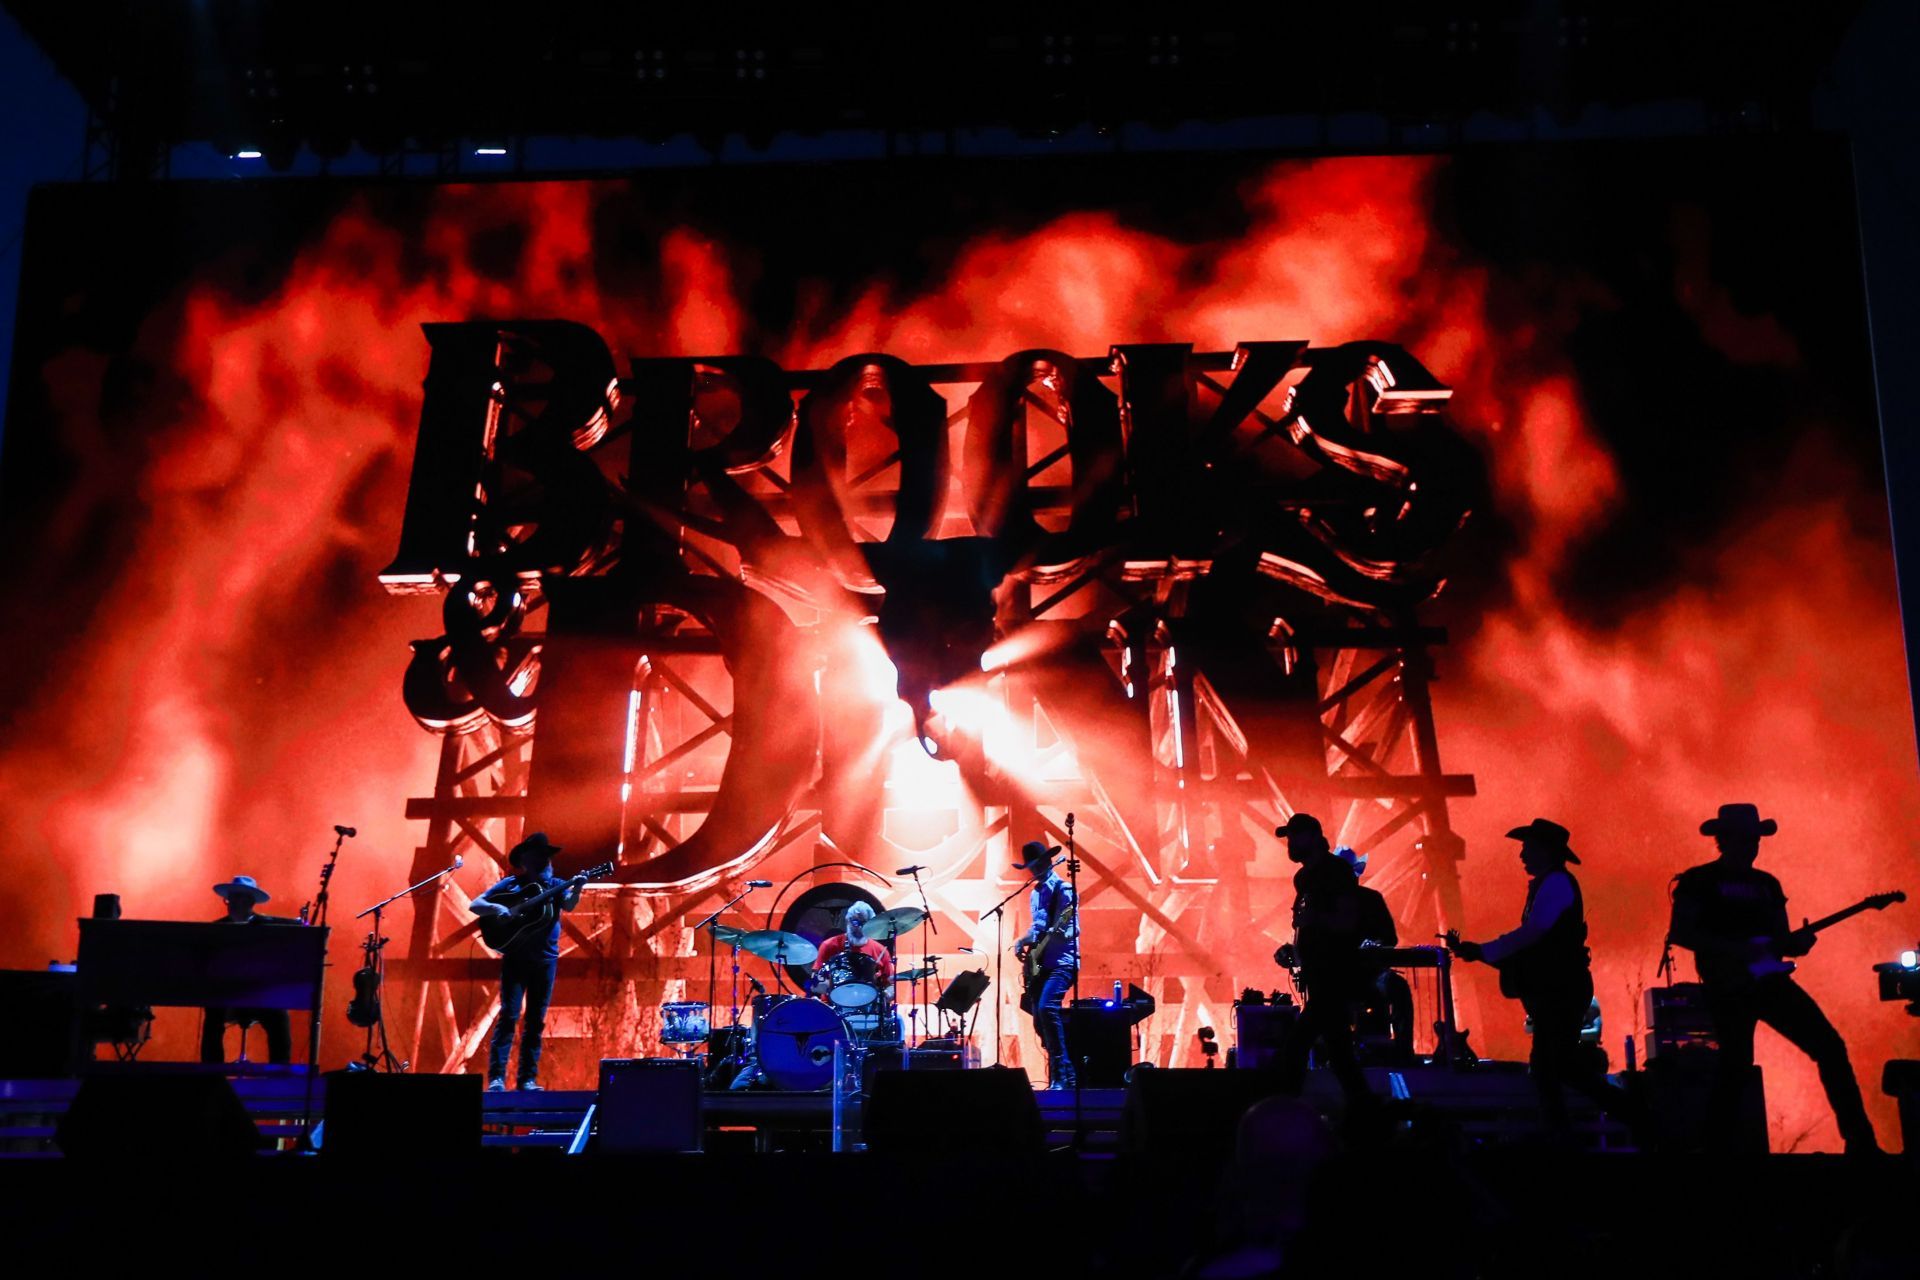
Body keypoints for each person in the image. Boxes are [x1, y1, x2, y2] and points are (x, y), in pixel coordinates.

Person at [1668, 803, 1880, 1154]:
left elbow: (1780, 940)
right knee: (1735, 1069)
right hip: (1728, 988)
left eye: (1756, 838)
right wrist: (1739, 951)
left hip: (1768, 983)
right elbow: (1681, 932)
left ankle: (1862, 1143)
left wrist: (1797, 945)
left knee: (1829, 1047)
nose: (1754, 845)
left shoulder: (1767, 884)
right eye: (1747, 838)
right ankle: (1711, 1152)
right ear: (1726, 840)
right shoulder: (1699, 880)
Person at [1451, 818, 1640, 1142]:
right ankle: (1630, 1119)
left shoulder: (1555, 885)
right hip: (1561, 988)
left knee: (1546, 1067)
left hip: (1561, 990)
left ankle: (1585, 1130)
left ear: (1545, 851)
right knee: (1560, 1067)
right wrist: (1484, 952)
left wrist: (1484, 950)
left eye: (1527, 848)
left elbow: (1533, 934)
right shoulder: (1552, 884)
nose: (1522, 855)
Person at [1271, 814, 1374, 1110]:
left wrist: (1315, 923)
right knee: (1340, 1055)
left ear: (1313, 836)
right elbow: (1308, 924)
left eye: (1294, 836)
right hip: (1318, 976)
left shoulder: (1335, 871)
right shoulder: (1305, 878)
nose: (1289, 844)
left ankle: (1284, 1111)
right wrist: (1294, 949)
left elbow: (1347, 920)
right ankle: (1367, 1112)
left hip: (1335, 976)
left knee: (1297, 1046)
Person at [469, 832, 583, 1092]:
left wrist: (577, 887)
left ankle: (526, 1080)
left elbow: (570, 905)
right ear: (526, 859)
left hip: (545, 962)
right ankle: (497, 1078)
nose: (542, 861)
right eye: (536, 856)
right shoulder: (512, 885)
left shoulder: (557, 884)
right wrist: (498, 909)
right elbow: (476, 905)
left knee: (535, 1020)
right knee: (509, 1016)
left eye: (545, 857)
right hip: (516, 960)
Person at [201, 875, 300, 1065]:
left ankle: (279, 1075)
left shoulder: (269, 928)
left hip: (258, 995)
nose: (235, 902)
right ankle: (211, 1074)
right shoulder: (215, 930)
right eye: (232, 897)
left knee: (280, 1017)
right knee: (212, 1013)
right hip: (226, 996)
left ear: (251, 902)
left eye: (241, 897)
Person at [1336, 847, 1417, 1066]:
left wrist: (1376, 944)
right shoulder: (1326, 903)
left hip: (1372, 974)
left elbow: (1390, 937)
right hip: (1337, 976)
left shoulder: (1372, 899)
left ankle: (1403, 1050)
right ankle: (1334, 1055)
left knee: (1397, 987)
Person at [1013, 838, 1078, 1089]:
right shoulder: (1035, 893)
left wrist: (1056, 932)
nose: (1033, 870)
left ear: (1047, 862)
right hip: (1043, 964)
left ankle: (1060, 1074)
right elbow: (1037, 928)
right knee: (1038, 1018)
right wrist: (1023, 941)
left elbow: (1072, 928)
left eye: (1036, 864)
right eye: (1030, 866)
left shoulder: (1064, 890)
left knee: (1047, 1008)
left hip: (1062, 962)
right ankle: (1068, 1074)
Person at [810, 901, 895, 1001]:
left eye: (865, 923)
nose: (860, 928)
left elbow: (891, 984)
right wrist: (839, 986)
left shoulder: (881, 951)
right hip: (833, 1007)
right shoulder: (829, 946)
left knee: (898, 1017)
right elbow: (815, 983)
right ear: (847, 921)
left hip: (868, 1008)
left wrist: (886, 995)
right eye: (855, 922)